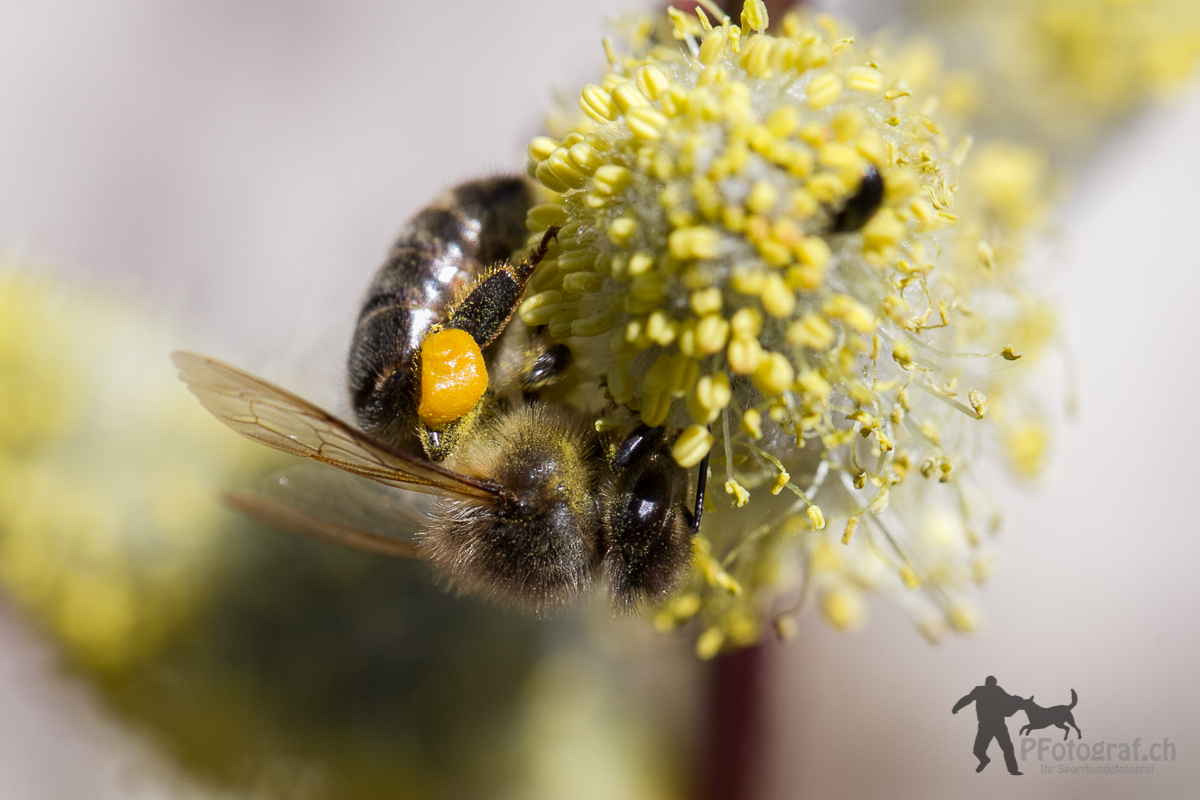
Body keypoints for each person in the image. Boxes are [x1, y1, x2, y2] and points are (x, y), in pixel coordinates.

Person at [952, 676, 1023, 775]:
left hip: (997, 723)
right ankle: (985, 760)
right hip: (986, 724)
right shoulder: (980, 690)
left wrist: (1018, 700)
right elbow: (968, 699)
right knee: (978, 750)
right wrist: (957, 707)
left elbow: (1009, 699)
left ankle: (1013, 769)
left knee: (1006, 747)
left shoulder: (997, 690)